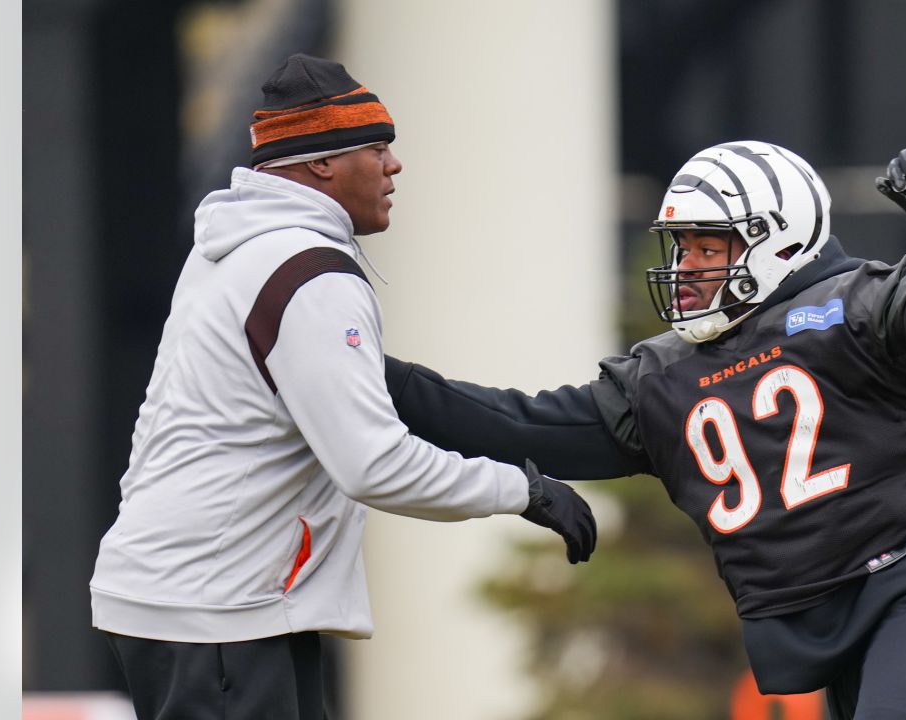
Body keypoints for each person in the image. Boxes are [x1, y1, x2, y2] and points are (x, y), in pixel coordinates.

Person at [384, 141, 906, 718]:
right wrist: (352, 368)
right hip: (845, 636)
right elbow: (511, 425)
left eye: (707, 245)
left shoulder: (859, 307)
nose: (688, 265)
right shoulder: (666, 379)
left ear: (775, 239)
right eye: (684, 246)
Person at [89, 53, 596, 720]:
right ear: (323, 162)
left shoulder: (234, 248)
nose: (394, 166)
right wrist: (521, 488)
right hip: (220, 609)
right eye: (377, 147)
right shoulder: (311, 271)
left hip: (207, 600)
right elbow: (373, 465)